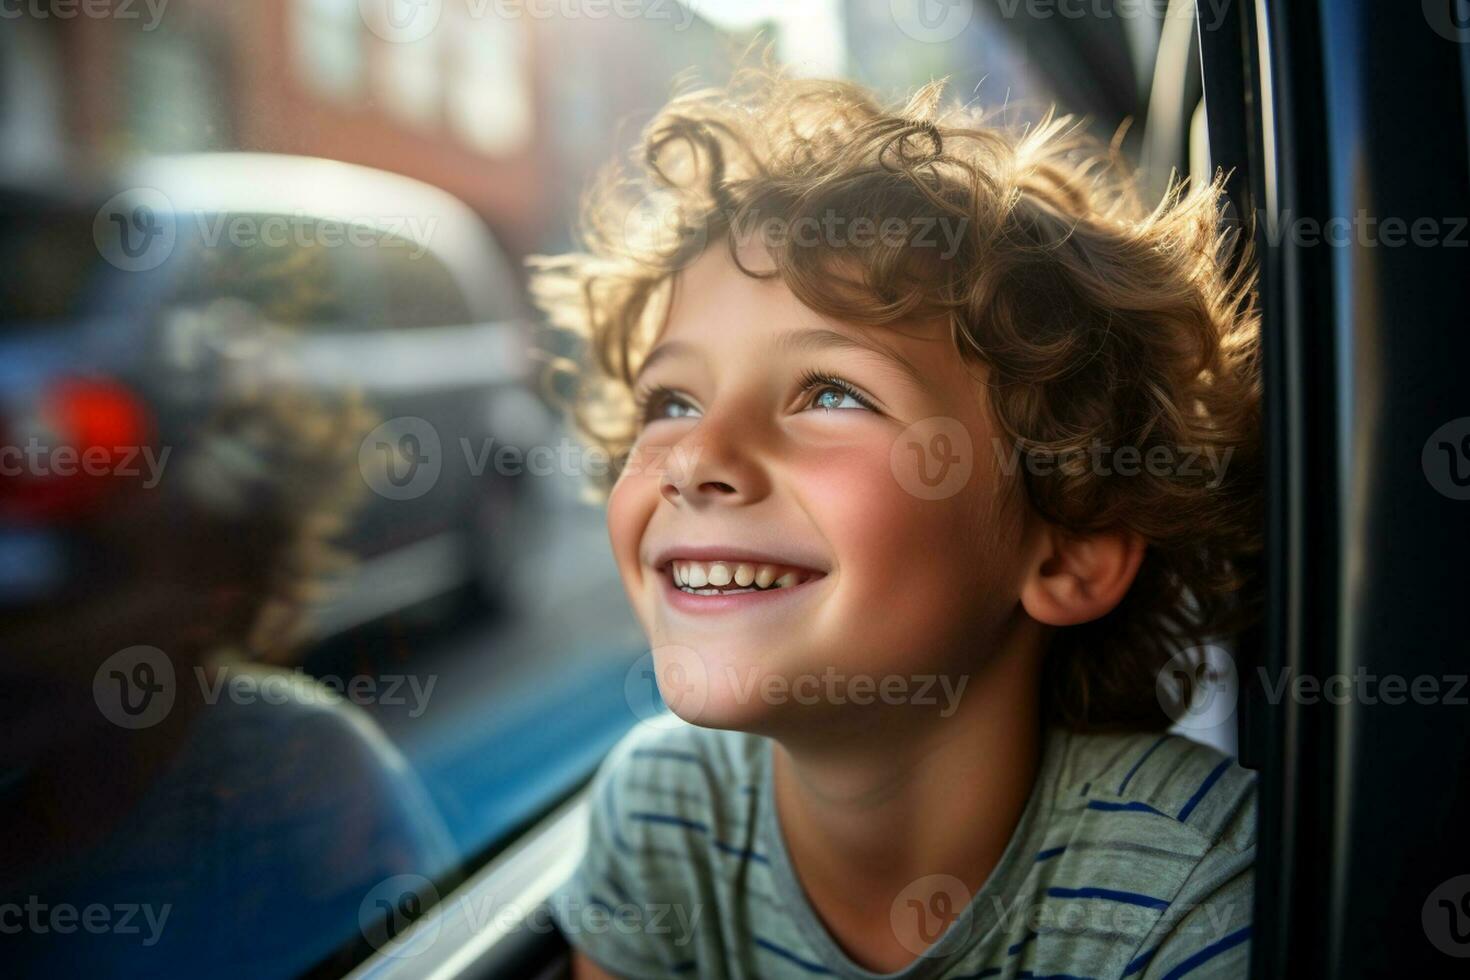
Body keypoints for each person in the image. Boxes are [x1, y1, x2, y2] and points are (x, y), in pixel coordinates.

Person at [529, 63, 1261, 979]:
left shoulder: (1196, 891)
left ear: (1069, 548)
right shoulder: (661, 813)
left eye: (831, 392)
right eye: (672, 399)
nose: (698, 457)